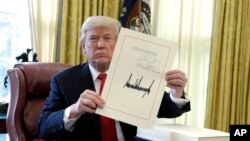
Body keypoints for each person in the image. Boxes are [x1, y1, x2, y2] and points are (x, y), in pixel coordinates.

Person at [37, 16, 191, 141]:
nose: (101, 45)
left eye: (108, 38)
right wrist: (75, 109)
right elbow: (43, 128)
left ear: (119, 46)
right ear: (83, 48)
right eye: (93, 38)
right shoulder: (64, 81)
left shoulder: (135, 75)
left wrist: (176, 93)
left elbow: (165, 108)